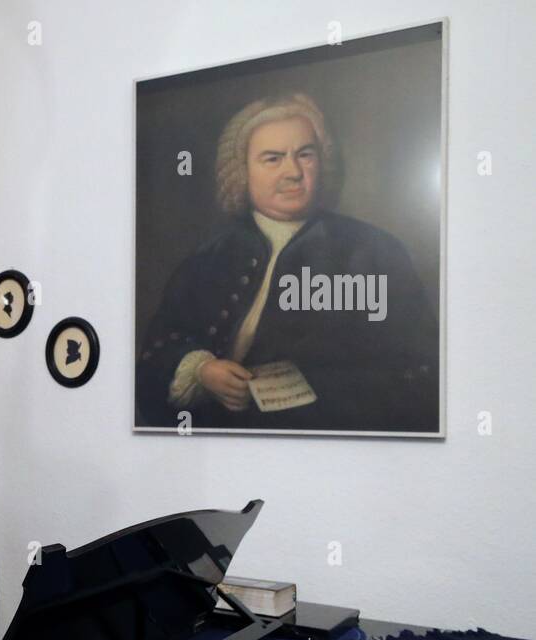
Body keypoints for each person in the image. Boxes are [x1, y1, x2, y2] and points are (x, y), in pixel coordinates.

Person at [136, 92, 439, 433]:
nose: (293, 172)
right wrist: (203, 372)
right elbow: (153, 363)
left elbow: (420, 375)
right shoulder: (208, 259)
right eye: (273, 158)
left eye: (305, 155)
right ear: (241, 172)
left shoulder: (376, 252)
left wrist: (313, 393)